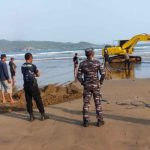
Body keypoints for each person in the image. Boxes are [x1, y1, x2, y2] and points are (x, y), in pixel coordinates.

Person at [77, 48, 105, 127]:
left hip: (87, 86)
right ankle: (100, 121)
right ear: (93, 54)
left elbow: (78, 76)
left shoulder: (82, 64)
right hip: (96, 85)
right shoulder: (97, 62)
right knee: (98, 103)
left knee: (86, 103)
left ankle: (86, 121)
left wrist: (83, 83)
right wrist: (100, 82)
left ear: (86, 54)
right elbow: (103, 74)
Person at [21, 53, 49, 121]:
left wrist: (32, 74)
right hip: (33, 85)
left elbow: (24, 74)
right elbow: (38, 74)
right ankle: (42, 114)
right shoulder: (33, 66)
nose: (32, 59)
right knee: (38, 99)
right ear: (30, 58)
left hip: (26, 85)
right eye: (32, 58)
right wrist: (35, 75)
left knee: (28, 101)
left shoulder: (22, 66)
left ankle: (31, 116)